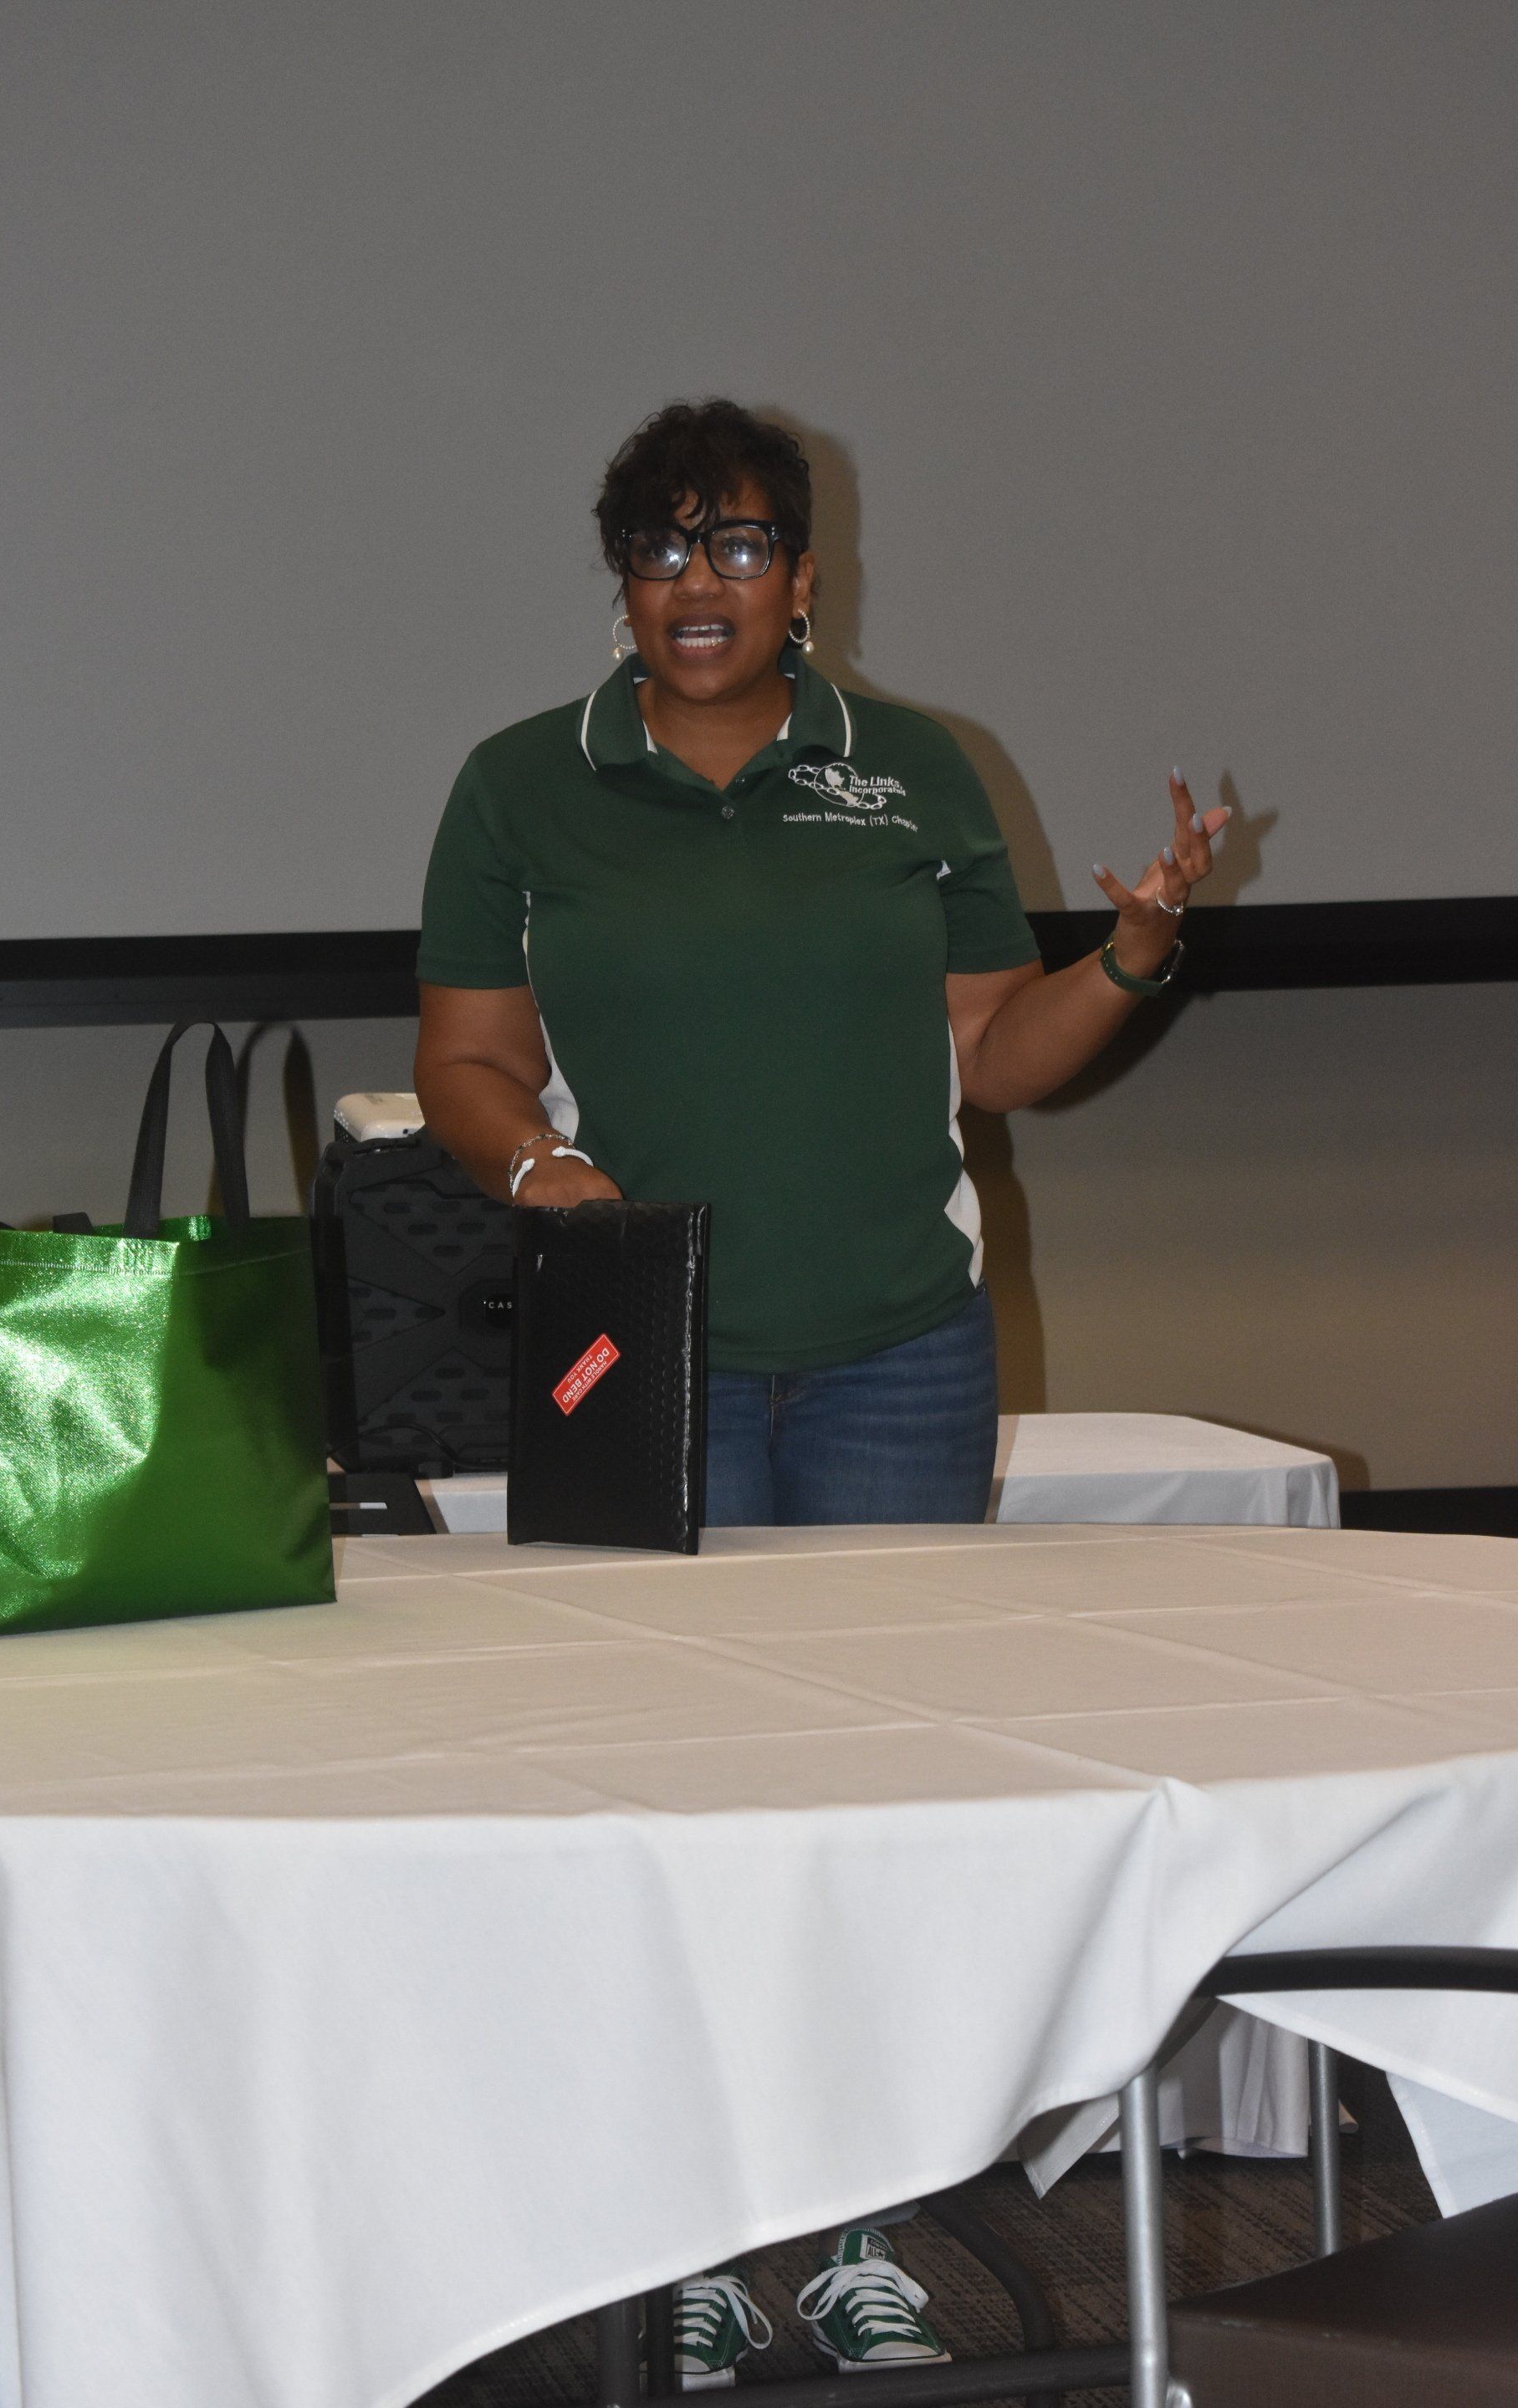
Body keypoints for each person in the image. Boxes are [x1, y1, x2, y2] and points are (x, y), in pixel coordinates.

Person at [413, 399, 1228, 2375]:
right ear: (621, 576)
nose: (707, 584)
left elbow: (999, 1059)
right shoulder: (527, 785)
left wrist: (1127, 957)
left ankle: (857, 2232)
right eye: (669, 548)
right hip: (649, 1353)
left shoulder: (915, 772)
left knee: (868, 1799)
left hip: (892, 1351)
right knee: (680, 1807)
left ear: (806, 574)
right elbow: (464, 1062)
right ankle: (690, 2240)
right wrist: (542, 1171)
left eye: (746, 545)